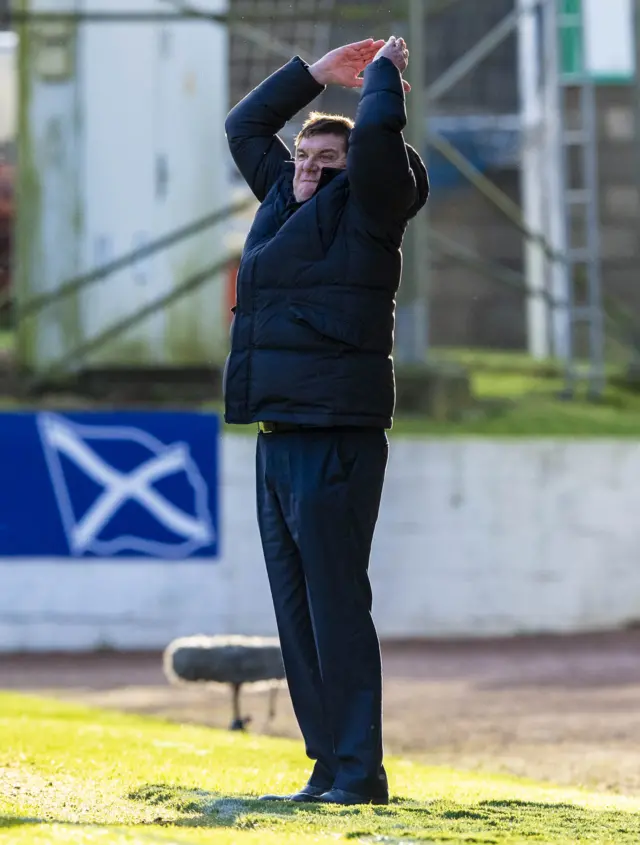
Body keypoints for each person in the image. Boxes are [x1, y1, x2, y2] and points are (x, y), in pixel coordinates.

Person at [223, 36, 429, 806]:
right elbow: (245, 127)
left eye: (325, 159)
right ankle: (328, 764)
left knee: (336, 605)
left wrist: (381, 81)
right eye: (303, 155)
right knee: (297, 611)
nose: (308, 167)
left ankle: (359, 771)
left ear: (353, 169)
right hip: (278, 432)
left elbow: (376, 144)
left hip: (335, 433)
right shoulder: (285, 197)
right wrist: (314, 75)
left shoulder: (372, 207)